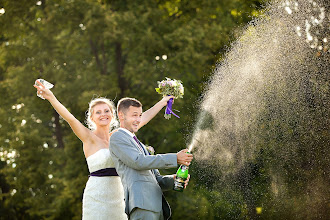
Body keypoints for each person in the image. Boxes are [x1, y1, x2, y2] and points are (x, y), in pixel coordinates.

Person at [33, 80, 174, 220]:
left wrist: (163, 102)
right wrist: (51, 97)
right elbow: (70, 118)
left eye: (107, 111)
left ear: (113, 115)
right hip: (97, 196)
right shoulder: (89, 138)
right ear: (92, 117)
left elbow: (142, 118)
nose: (103, 114)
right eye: (98, 112)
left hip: (120, 195)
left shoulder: (120, 137)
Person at [109, 97, 193, 220]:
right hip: (142, 204)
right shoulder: (117, 137)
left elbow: (156, 179)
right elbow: (138, 162)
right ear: (121, 116)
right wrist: (174, 158)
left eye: (140, 115)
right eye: (134, 115)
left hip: (156, 207)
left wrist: (174, 180)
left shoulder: (140, 145)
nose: (138, 120)